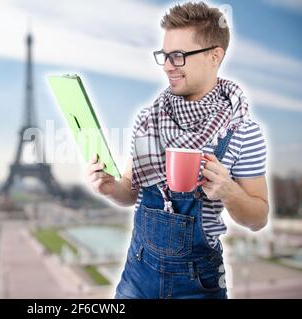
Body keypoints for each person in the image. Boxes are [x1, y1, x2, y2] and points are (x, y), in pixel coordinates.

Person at [86, 1, 268, 299]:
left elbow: (259, 218)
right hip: (137, 274)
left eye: (179, 56)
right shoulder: (149, 119)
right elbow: (131, 192)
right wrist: (110, 188)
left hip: (198, 284)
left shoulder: (242, 131)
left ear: (214, 56)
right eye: (165, 55)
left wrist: (228, 191)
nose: (168, 65)